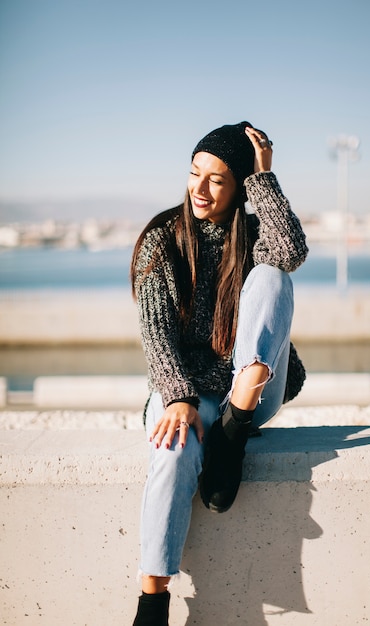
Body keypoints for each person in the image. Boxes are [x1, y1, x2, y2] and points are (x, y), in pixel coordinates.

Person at [130, 121, 308, 625]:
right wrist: (178, 396)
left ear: (240, 187)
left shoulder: (252, 235)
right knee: (173, 445)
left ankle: (234, 430)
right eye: (194, 173)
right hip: (185, 390)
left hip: (250, 388)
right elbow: (156, 332)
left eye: (217, 179)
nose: (200, 189)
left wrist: (265, 180)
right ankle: (152, 601)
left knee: (272, 276)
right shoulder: (162, 239)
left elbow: (290, 254)